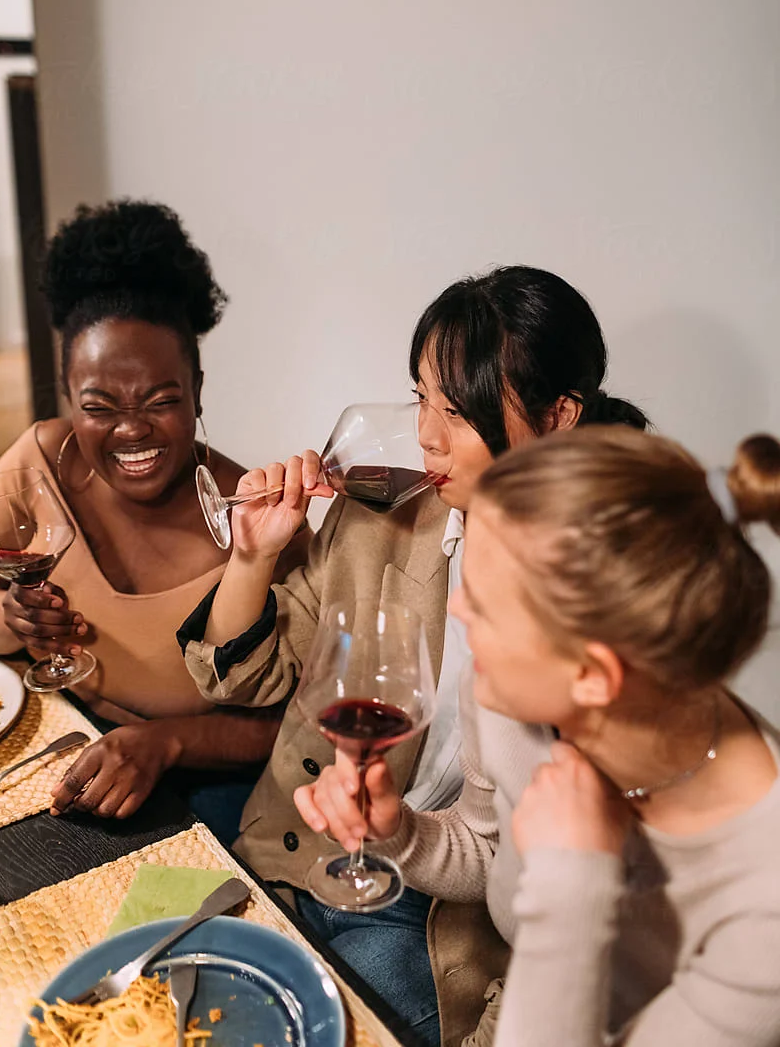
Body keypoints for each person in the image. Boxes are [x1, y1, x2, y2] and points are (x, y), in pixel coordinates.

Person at [178, 265, 648, 1045]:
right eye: (420, 397)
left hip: (439, 925)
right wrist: (253, 557)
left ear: (559, 414)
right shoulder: (388, 513)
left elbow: (570, 932)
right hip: (305, 848)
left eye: (456, 410)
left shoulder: (609, 610)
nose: (427, 433)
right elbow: (248, 679)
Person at [297, 426, 780, 1046]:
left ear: (592, 675)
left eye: (486, 605)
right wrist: (399, 832)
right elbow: (488, 848)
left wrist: (575, 884)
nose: (457, 611)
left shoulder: (766, 902)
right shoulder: (506, 697)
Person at [0, 199, 308, 839]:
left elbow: (296, 727)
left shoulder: (259, 520)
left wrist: (163, 744)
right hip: (65, 738)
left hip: (212, 784)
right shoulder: (40, 464)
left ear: (198, 389)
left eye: (161, 401)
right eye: (99, 405)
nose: (131, 430)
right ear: (68, 398)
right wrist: (8, 619)